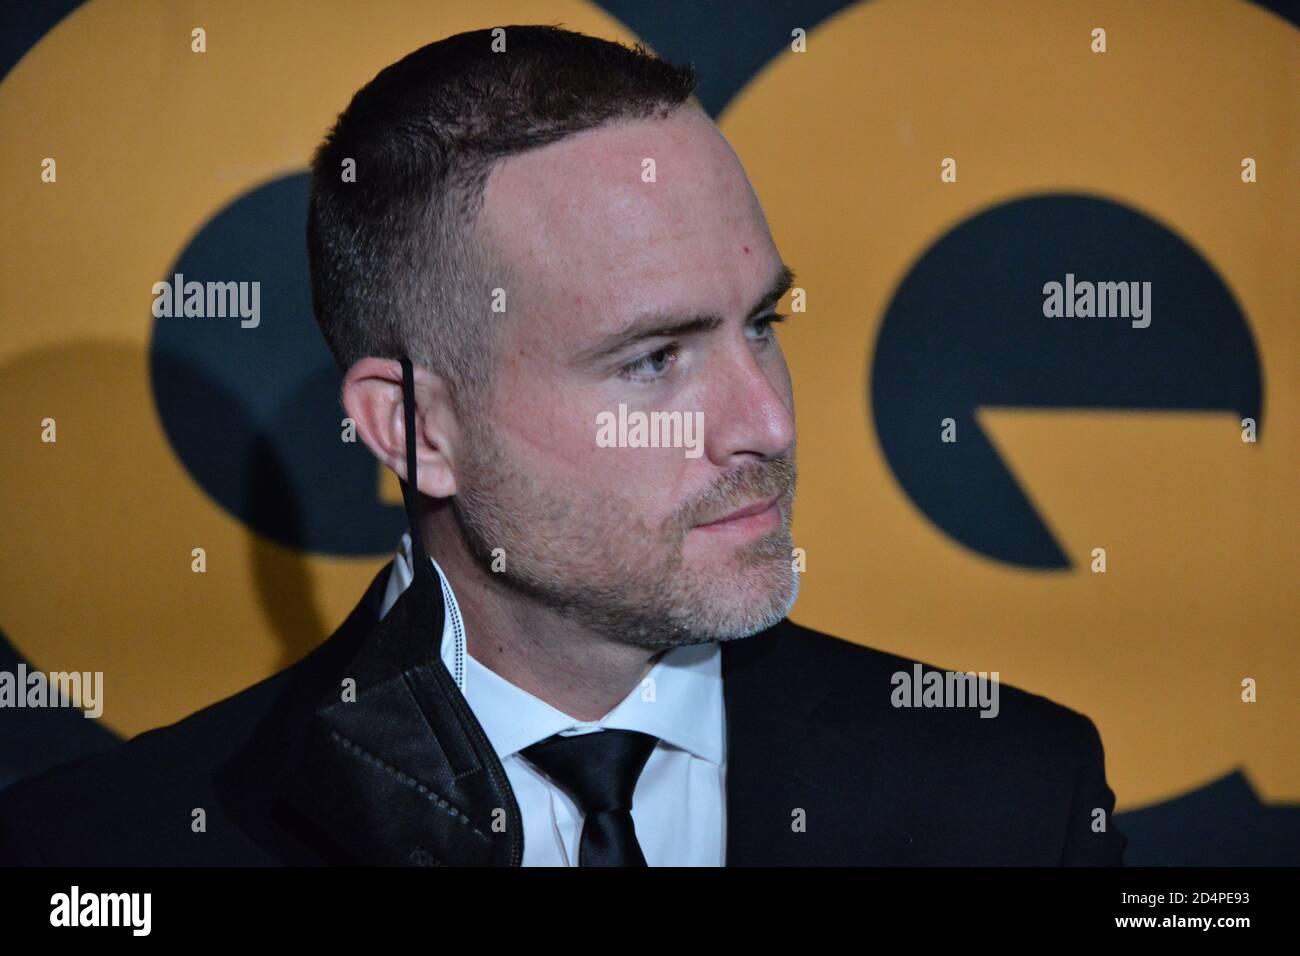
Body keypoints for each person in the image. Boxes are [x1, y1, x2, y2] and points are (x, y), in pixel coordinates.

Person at [0, 25, 1125, 866]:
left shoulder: (1013, 797)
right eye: (653, 359)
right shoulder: (110, 849)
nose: (767, 423)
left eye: (761, 326)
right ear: (414, 428)